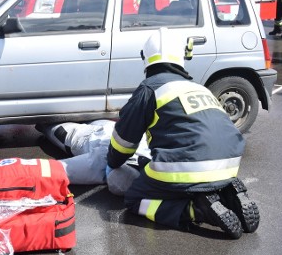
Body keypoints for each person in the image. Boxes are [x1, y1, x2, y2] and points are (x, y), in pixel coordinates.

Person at [105, 28, 259, 238]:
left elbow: (123, 144)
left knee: (135, 199)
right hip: (229, 166)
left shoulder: (150, 89)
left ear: (145, 57)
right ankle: (224, 193)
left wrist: (112, 163)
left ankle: (194, 209)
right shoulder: (199, 89)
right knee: (149, 166)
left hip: (187, 168)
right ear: (183, 56)